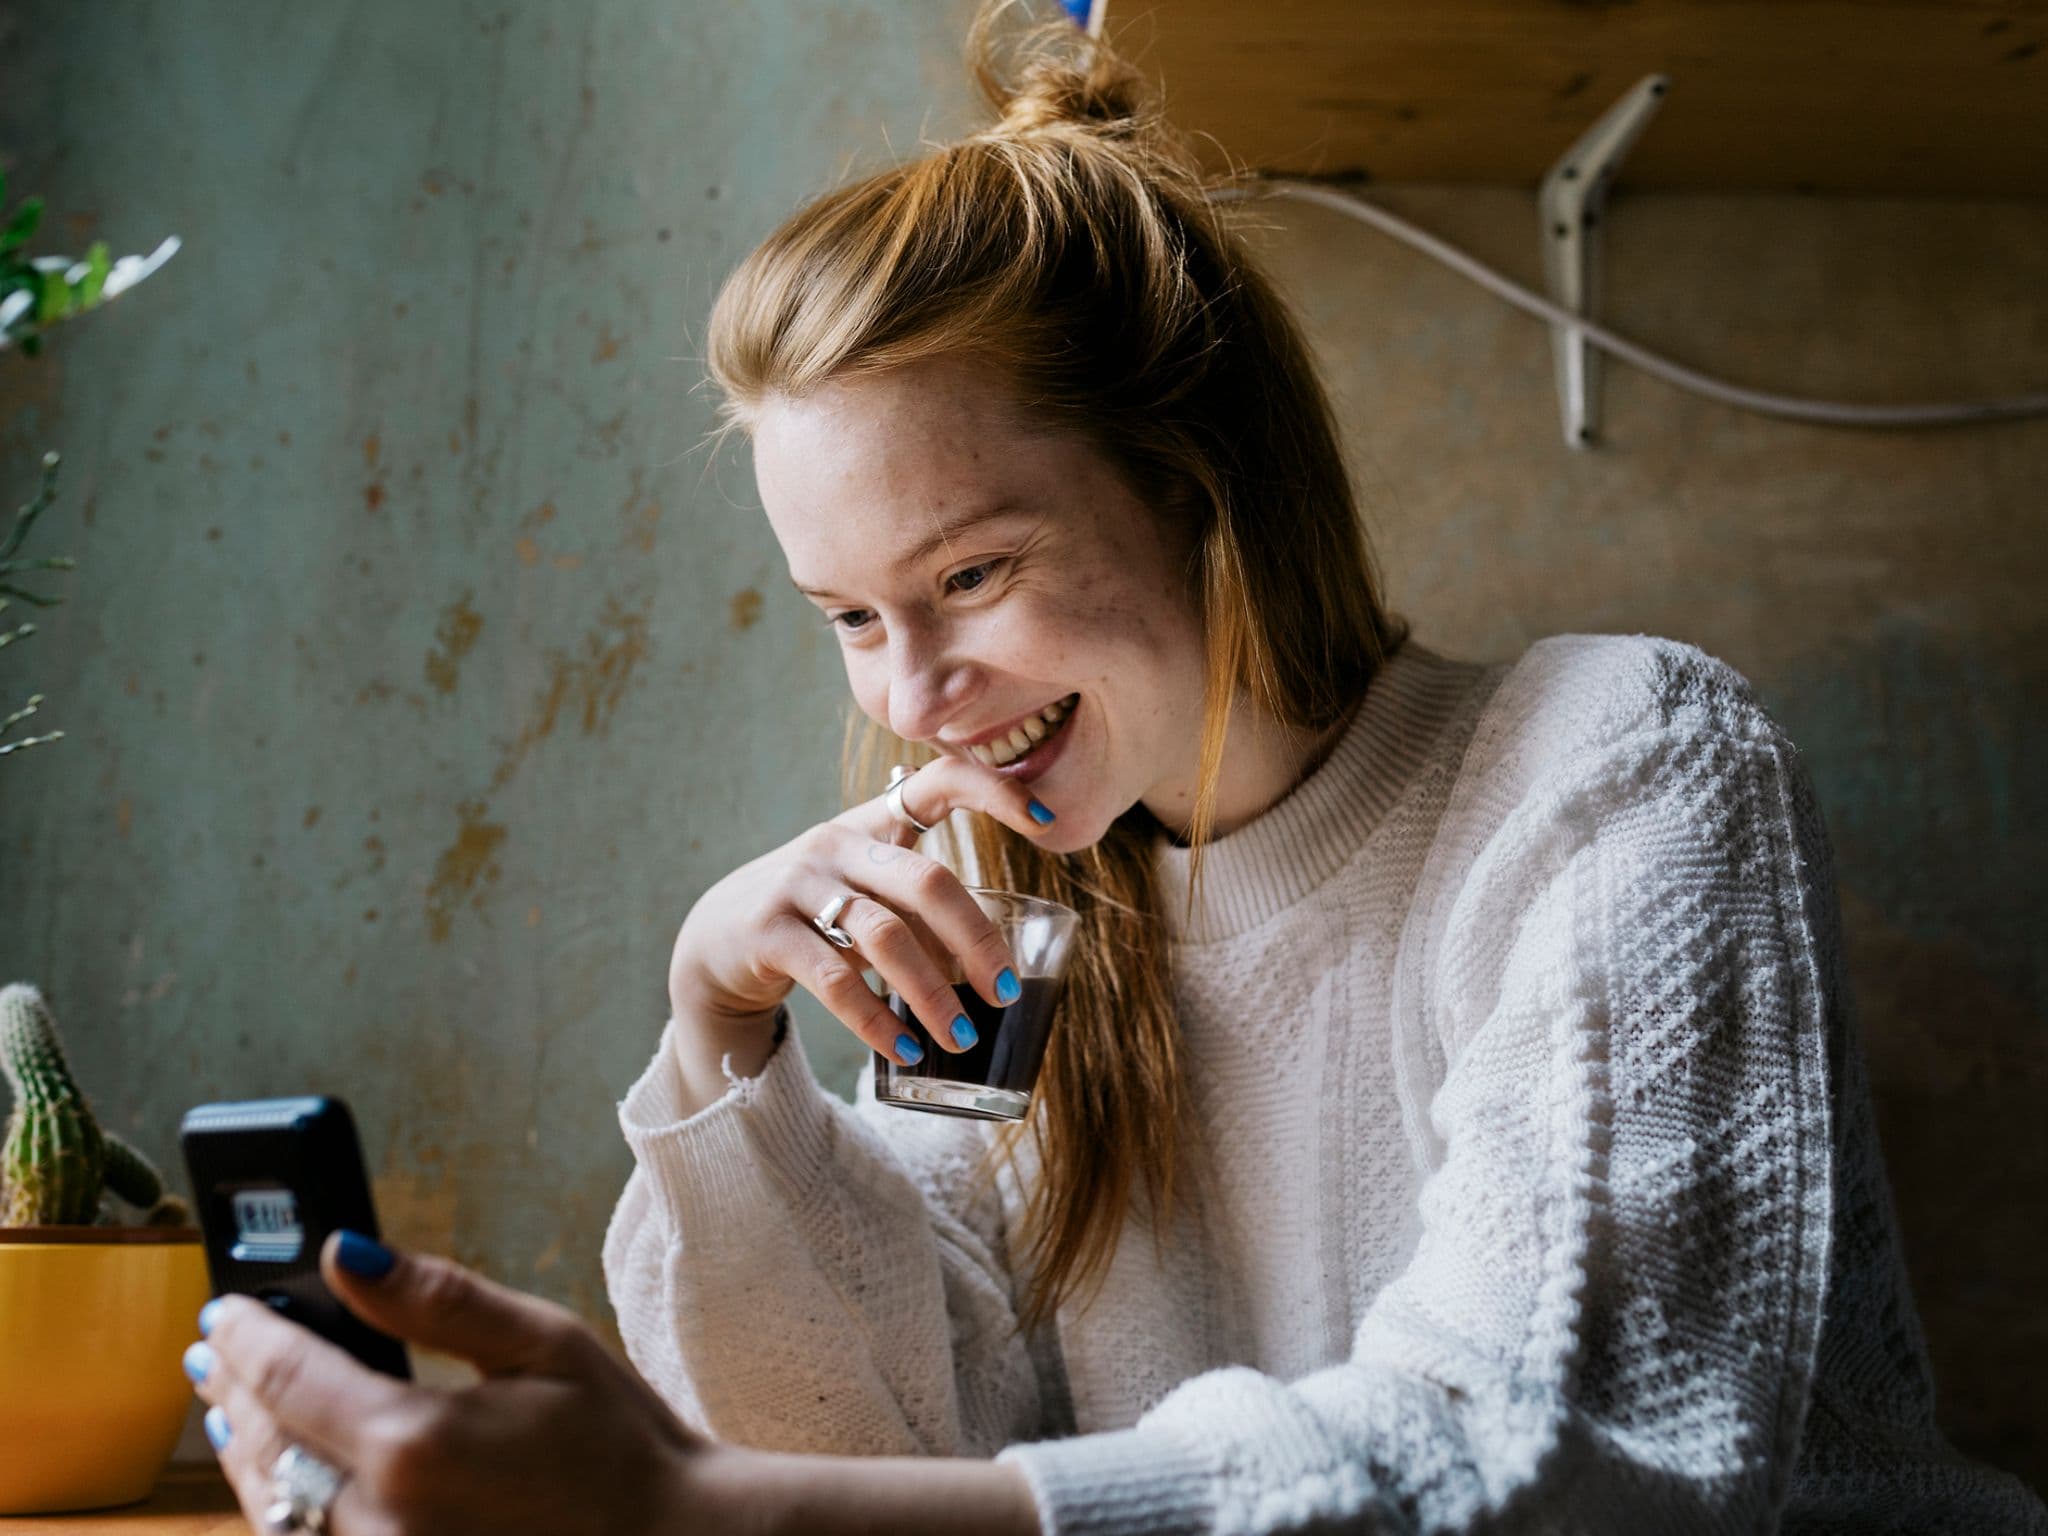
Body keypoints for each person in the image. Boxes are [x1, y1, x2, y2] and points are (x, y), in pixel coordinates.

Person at [185, 4, 2048, 1532]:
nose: (912, 696)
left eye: (971, 573)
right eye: (848, 615)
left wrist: (685, 1516)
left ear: (1196, 486)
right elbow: (895, 1451)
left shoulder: (1620, 765)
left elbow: (1557, 1467)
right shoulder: (1020, 912)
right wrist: (717, 1044)